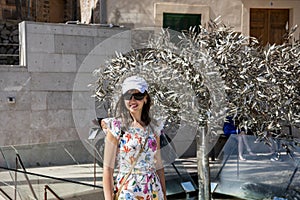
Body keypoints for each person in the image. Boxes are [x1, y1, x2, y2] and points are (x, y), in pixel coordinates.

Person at [100, 76, 167, 200]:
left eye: (138, 95)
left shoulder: (154, 127)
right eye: (128, 96)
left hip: (152, 190)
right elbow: (108, 169)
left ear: (145, 98)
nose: (133, 100)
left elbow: (158, 165)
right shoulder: (116, 127)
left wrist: (164, 194)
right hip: (128, 191)